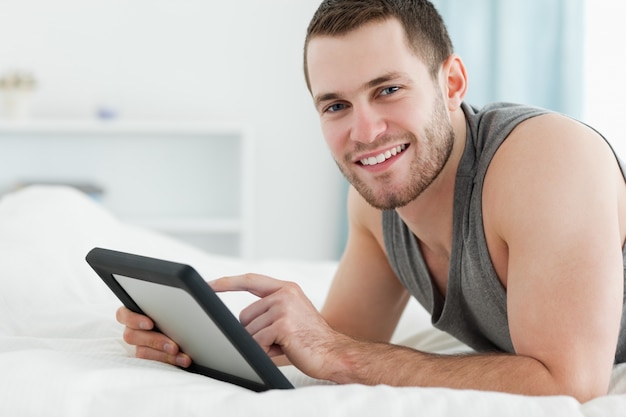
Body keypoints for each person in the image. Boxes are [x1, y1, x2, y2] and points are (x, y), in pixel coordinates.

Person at [117, 0, 626, 402]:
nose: (365, 132)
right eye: (336, 105)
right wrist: (198, 341)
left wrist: (340, 354)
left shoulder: (549, 160)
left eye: (387, 90)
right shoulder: (376, 203)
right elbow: (333, 340)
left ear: (450, 83)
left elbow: (570, 383)